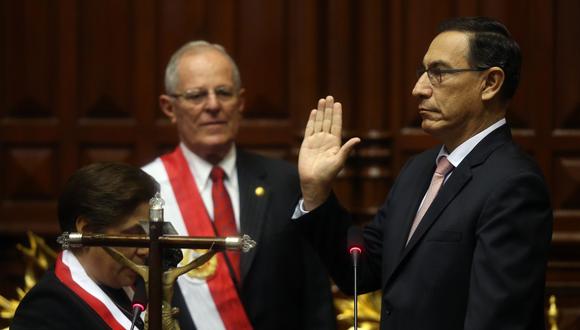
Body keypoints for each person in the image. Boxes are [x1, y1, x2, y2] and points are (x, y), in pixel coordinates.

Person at [296, 17, 553, 330]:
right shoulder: (418, 169)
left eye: (439, 73)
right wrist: (316, 191)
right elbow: (363, 269)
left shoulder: (514, 184)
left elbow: (495, 320)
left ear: (490, 83)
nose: (418, 89)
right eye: (423, 72)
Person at [142, 41, 335, 330]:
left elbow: (316, 297)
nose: (213, 105)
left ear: (241, 102)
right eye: (196, 95)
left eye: (223, 92)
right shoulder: (146, 189)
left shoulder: (287, 182)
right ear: (169, 107)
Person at [11, 163, 158, 330]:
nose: (145, 250)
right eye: (132, 234)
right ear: (88, 230)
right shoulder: (46, 309)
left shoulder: (141, 285)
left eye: (146, 234)